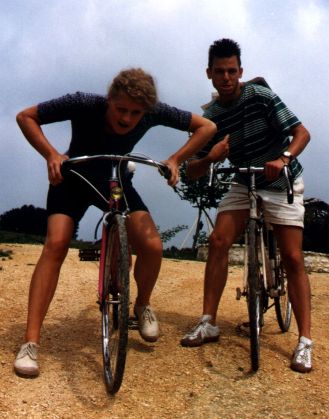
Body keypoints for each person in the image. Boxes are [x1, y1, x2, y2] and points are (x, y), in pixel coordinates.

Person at [14, 68, 217, 377]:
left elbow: (207, 126)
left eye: (136, 113)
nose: (127, 118)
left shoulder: (153, 112)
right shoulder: (83, 102)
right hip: (75, 176)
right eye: (121, 109)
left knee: (151, 245)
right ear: (109, 100)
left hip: (115, 179)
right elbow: (25, 117)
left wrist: (176, 159)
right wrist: (52, 154)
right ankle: (30, 343)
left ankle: (142, 305)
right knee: (55, 244)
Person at [180, 39, 313, 373]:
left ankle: (305, 341)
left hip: (279, 179)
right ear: (209, 73)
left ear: (241, 71)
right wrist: (211, 157)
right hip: (243, 179)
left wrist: (283, 158)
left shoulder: (260, 96)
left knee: (294, 257)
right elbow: (191, 171)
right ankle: (208, 322)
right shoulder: (208, 118)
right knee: (218, 241)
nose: (226, 77)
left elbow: (301, 133)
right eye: (220, 71)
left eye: (232, 71)